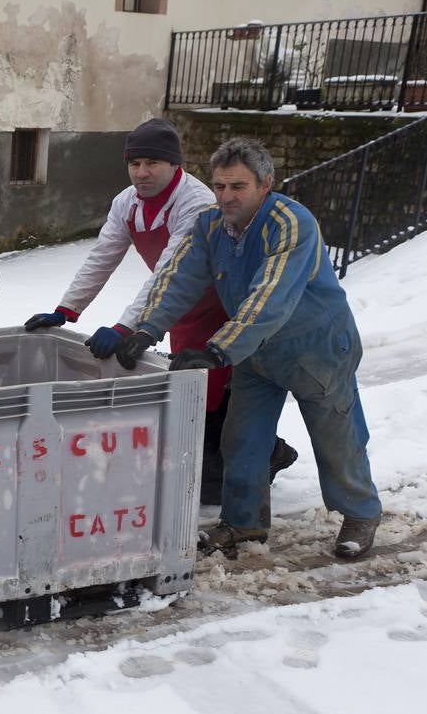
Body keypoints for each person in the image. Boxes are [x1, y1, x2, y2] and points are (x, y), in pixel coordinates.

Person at [113, 137, 383, 559]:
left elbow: (269, 295)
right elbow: (178, 277)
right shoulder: (209, 225)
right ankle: (243, 524)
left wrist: (218, 350)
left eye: (238, 186)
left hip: (315, 349)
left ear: (265, 183)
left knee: (336, 437)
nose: (226, 196)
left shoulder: (291, 224)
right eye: (219, 186)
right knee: (242, 439)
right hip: (253, 353)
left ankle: (360, 512)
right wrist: (147, 329)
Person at [23, 118, 296, 504]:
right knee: (194, 402)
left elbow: (171, 270)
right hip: (178, 312)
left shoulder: (196, 202)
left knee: (218, 407)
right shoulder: (127, 203)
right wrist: (67, 310)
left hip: (220, 310)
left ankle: (269, 453)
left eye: (152, 162)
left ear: (174, 164)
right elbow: (103, 257)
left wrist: (125, 327)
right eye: (135, 164)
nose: (142, 172)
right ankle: (242, 454)